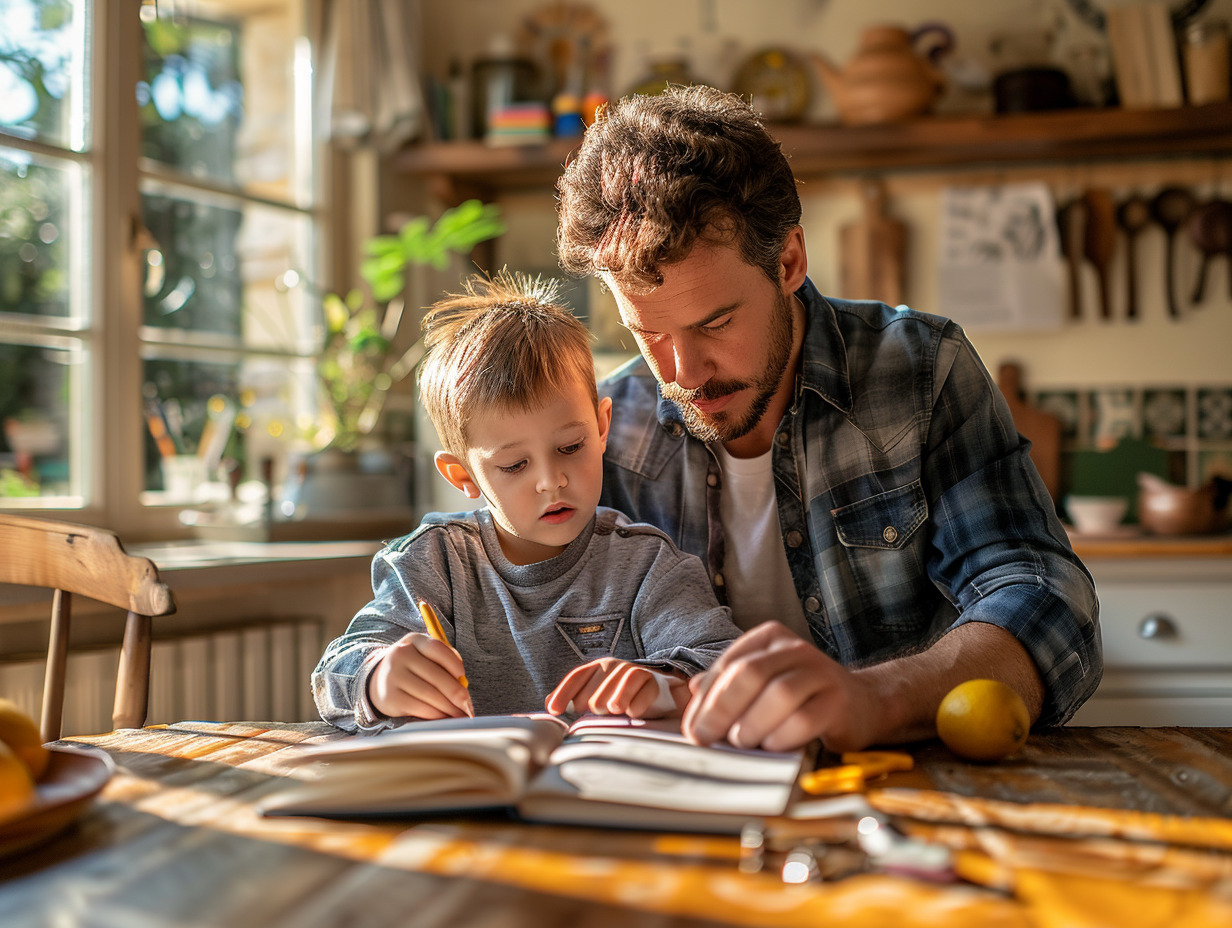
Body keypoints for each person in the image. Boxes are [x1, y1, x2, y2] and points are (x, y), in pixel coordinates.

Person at [555, 85, 1102, 755]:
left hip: (911, 787)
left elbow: (1046, 597)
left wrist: (878, 699)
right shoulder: (612, 429)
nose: (685, 373)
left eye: (717, 322)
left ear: (788, 261)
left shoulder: (922, 369)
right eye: (649, 334)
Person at [312, 272, 742, 733]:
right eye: (515, 466)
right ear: (463, 476)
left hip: (605, 790)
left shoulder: (646, 564)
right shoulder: (433, 563)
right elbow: (334, 674)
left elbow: (725, 663)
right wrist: (377, 678)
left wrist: (664, 681)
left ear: (601, 428)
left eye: (570, 447)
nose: (551, 481)